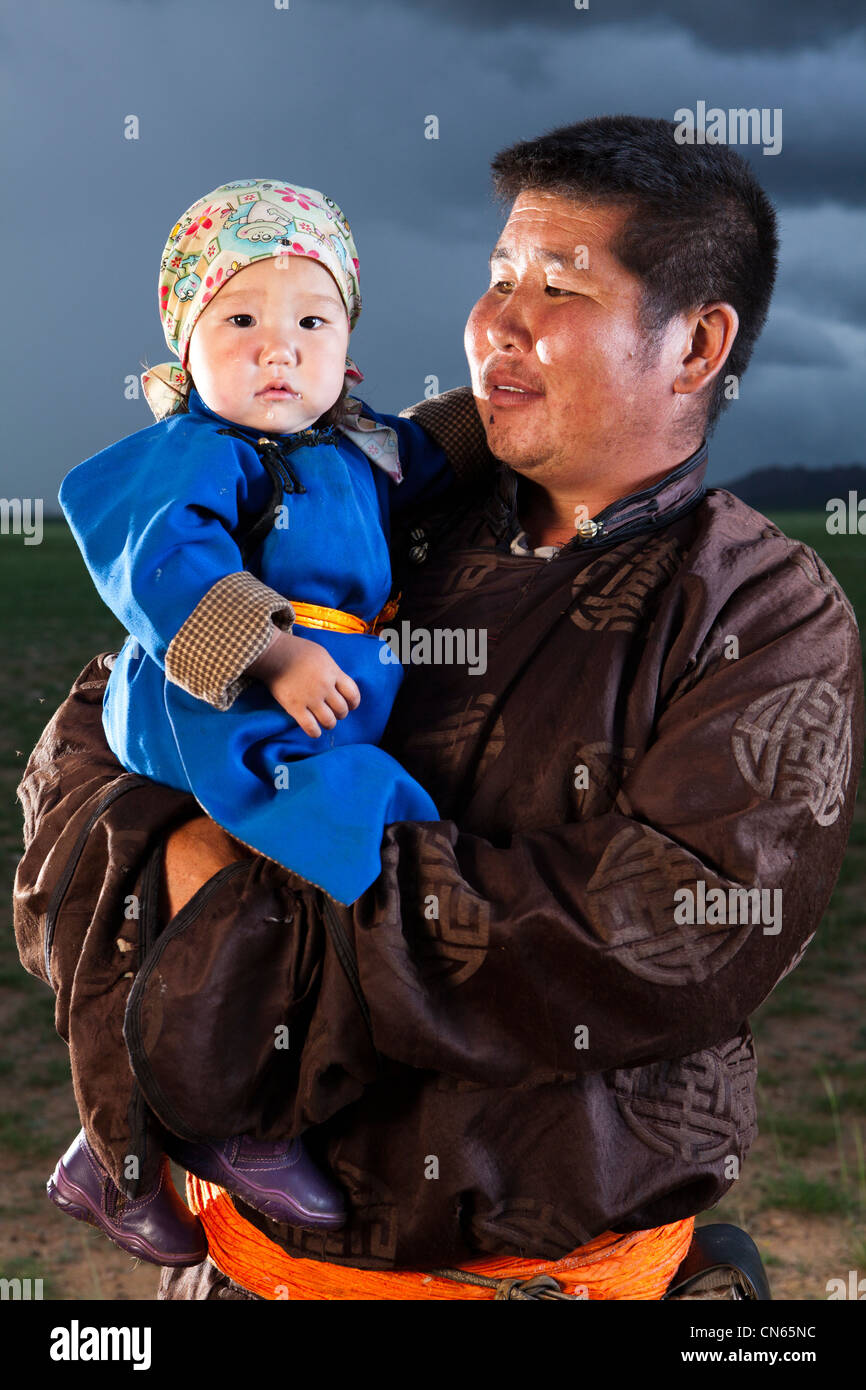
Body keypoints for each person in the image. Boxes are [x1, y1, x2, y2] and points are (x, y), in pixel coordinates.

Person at [15, 116, 863, 1301]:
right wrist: (183, 839)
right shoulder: (368, 499)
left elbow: (662, 939)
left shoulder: (764, 608)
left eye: (556, 284)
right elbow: (84, 740)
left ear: (696, 343)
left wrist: (228, 889)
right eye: (495, 276)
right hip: (241, 1279)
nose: (497, 321)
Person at [46, 177, 477, 1262]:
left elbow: (455, 449)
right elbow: (168, 562)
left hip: (310, 682)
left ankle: (116, 1148)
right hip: (218, 691)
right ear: (184, 342)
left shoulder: (352, 443)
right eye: (239, 319)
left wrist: (519, 389)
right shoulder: (201, 451)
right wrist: (276, 649)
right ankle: (235, 1114)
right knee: (362, 827)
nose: (276, 349)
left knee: (345, 847)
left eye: (310, 321)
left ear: (347, 346)